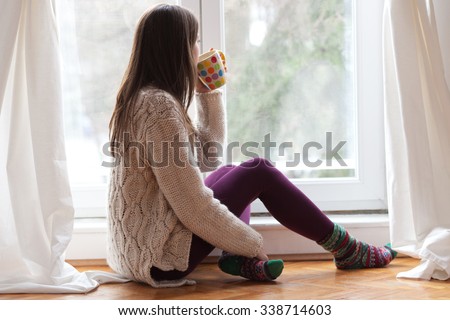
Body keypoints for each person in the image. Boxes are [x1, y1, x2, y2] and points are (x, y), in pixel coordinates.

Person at [107, 3, 396, 288]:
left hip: (137, 252)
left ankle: (236, 258)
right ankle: (347, 248)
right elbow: (191, 205)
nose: (197, 51)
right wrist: (251, 242)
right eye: (194, 42)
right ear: (177, 49)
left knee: (231, 171)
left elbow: (209, 158)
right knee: (259, 170)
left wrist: (209, 93)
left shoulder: (142, 99)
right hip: (157, 261)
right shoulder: (159, 106)